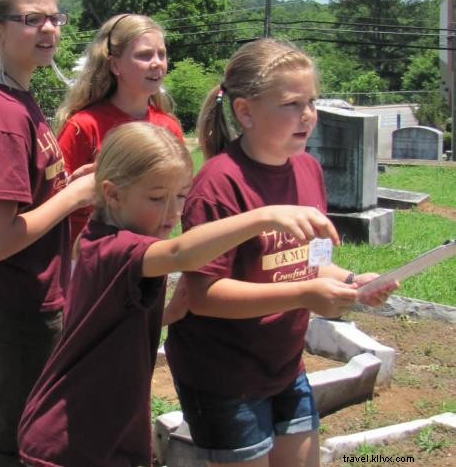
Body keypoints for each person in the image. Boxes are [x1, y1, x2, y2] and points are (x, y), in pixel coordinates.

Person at [18, 121, 343, 467]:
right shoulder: (112, 248)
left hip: (104, 428)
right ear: (112, 194)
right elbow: (180, 253)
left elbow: (111, 319)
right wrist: (263, 217)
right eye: (157, 198)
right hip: (71, 436)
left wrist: (169, 313)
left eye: (181, 196)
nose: (174, 212)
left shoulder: (115, 245)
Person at [165, 38, 397, 467]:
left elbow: (310, 261)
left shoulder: (308, 169)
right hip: (222, 375)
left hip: (284, 363)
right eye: (291, 103)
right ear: (245, 112)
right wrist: (304, 296)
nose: (308, 115)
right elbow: (202, 296)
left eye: (312, 101)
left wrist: (350, 282)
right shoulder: (219, 184)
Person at [0, 0, 95, 467]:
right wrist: (77, 193)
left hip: (30, 291)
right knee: (22, 438)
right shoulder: (4, 117)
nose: (50, 30)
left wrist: (67, 179)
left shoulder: (17, 98)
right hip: (20, 299)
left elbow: (29, 194)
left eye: (55, 18)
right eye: (32, 19)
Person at [55, 14, 184, 247]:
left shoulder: (169, 126)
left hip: (150, 256)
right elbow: (54, 202)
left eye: (161, 54)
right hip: (90, 261)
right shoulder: (84, 125)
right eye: (144, 55)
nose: (157, 63)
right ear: (115, 65)